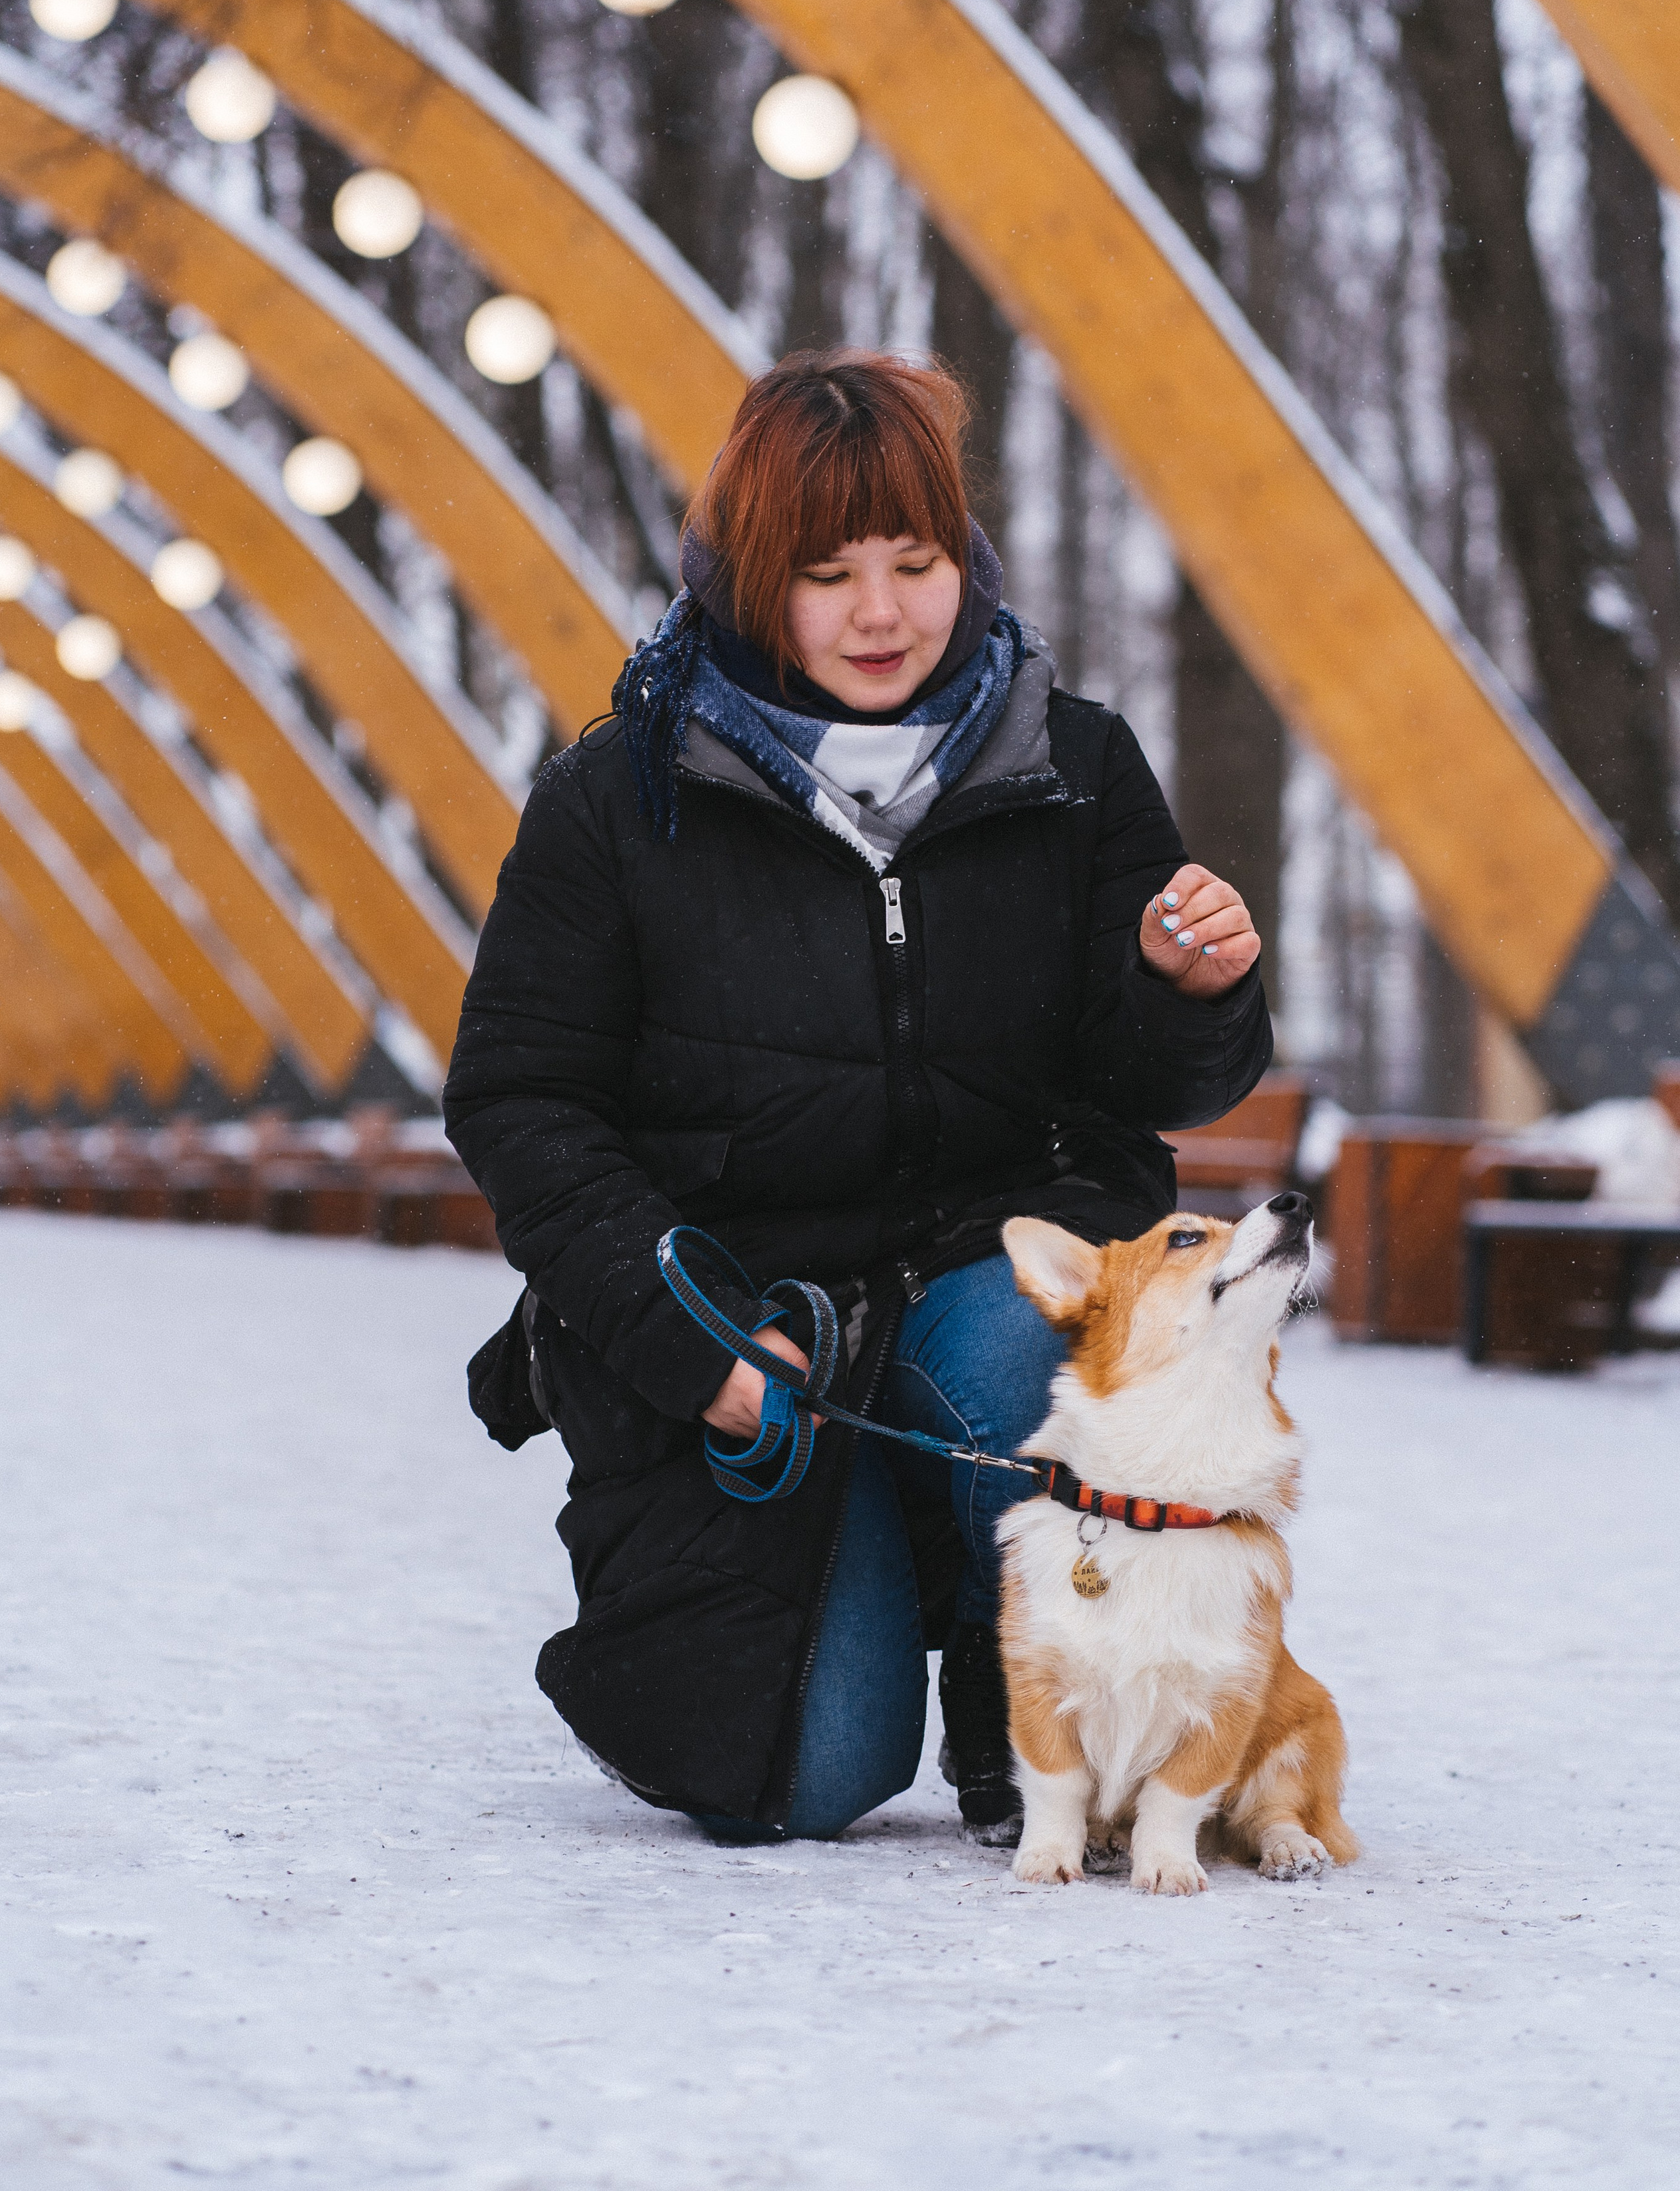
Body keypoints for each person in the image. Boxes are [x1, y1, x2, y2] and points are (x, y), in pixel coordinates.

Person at [444, 348, 1270, 1846]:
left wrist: (1184, 992)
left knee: (1040, 1339)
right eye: (827, 573)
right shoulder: (619, 796)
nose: (880, 612)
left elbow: (1147, 1092)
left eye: (916, 559)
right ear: (751, 580)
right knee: (805, 1776)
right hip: (755, 1326)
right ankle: (880, 1560)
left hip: (984, 1283)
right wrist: (686, 1340)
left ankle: (1015, 1674)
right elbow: (521, 1099)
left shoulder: (1073, 768)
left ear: (969, 557)